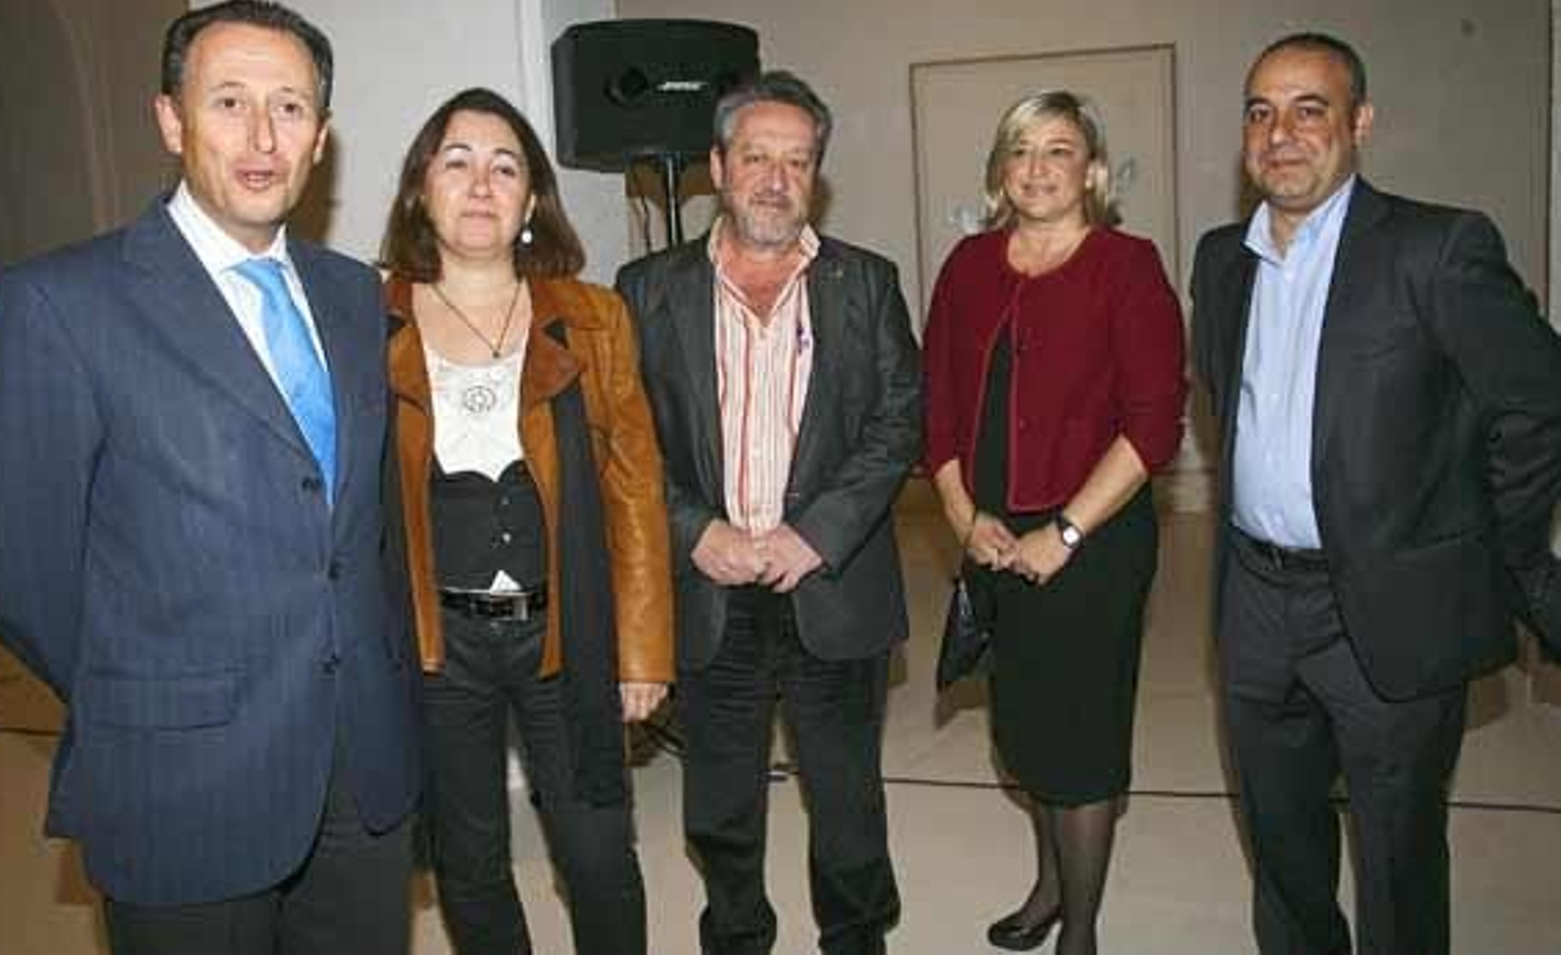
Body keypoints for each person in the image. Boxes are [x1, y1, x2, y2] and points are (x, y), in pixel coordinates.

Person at [0, 0, 419, 954]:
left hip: (360, 771)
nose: (262, 136)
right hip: (182, 780)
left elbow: (364, 535)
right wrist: (149, 685)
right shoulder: (58, 304)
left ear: (322, 137)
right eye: (229, 103)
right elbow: (10, 566)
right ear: (170, 119)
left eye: (290, 108)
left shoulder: (350, 294)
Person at [1190, 31, 1561, 955]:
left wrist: (1490, 538)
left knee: (1397, 855)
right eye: (1261, 111)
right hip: (1256, 603)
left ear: (1359, 124)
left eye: (1309, 109)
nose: (1281, 133)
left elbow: (1538, 401)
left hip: (1390, 610)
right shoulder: (1219, 259)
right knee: (1282, 847)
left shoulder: (1436, 248)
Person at [615, 70, 921, 955]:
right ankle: (738, 934)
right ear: (717, 165)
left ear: (816, 175)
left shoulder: (867, 283)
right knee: (719, 801)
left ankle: (857, 937)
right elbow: (624, 441)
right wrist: (692, 531)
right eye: (757, 157)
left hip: (831, 583)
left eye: (797, 160)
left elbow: (900, 419)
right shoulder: (646, 290)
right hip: (710, 592)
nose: (776, 179)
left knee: (849, 799)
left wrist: (815, 533)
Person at [379, 86, 673, 955]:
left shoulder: (593, 317)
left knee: (598, 855)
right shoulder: (366, 317)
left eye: (505, 166)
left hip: (565, 632)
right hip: (438, 645)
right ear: (419, 190)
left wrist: (644, 649)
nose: (480, 183)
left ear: (532, 198)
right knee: (467, 863)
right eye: (457, 162)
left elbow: (634, 488)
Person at [923, 91, 1186, 954]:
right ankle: (1046, 889)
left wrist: (1064, 533)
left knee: (1080, 744)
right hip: (993, 541)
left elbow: (1153, 426)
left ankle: (1081, 931)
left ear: (1092, 170)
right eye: (1021, 150)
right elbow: (941, 409)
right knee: (1025, 732)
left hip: (1094, 547)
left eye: (1059, 150)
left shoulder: (1127, 264)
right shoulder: (967, 265)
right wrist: (965, 518)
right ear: (1000, 169)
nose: (1037, 168)